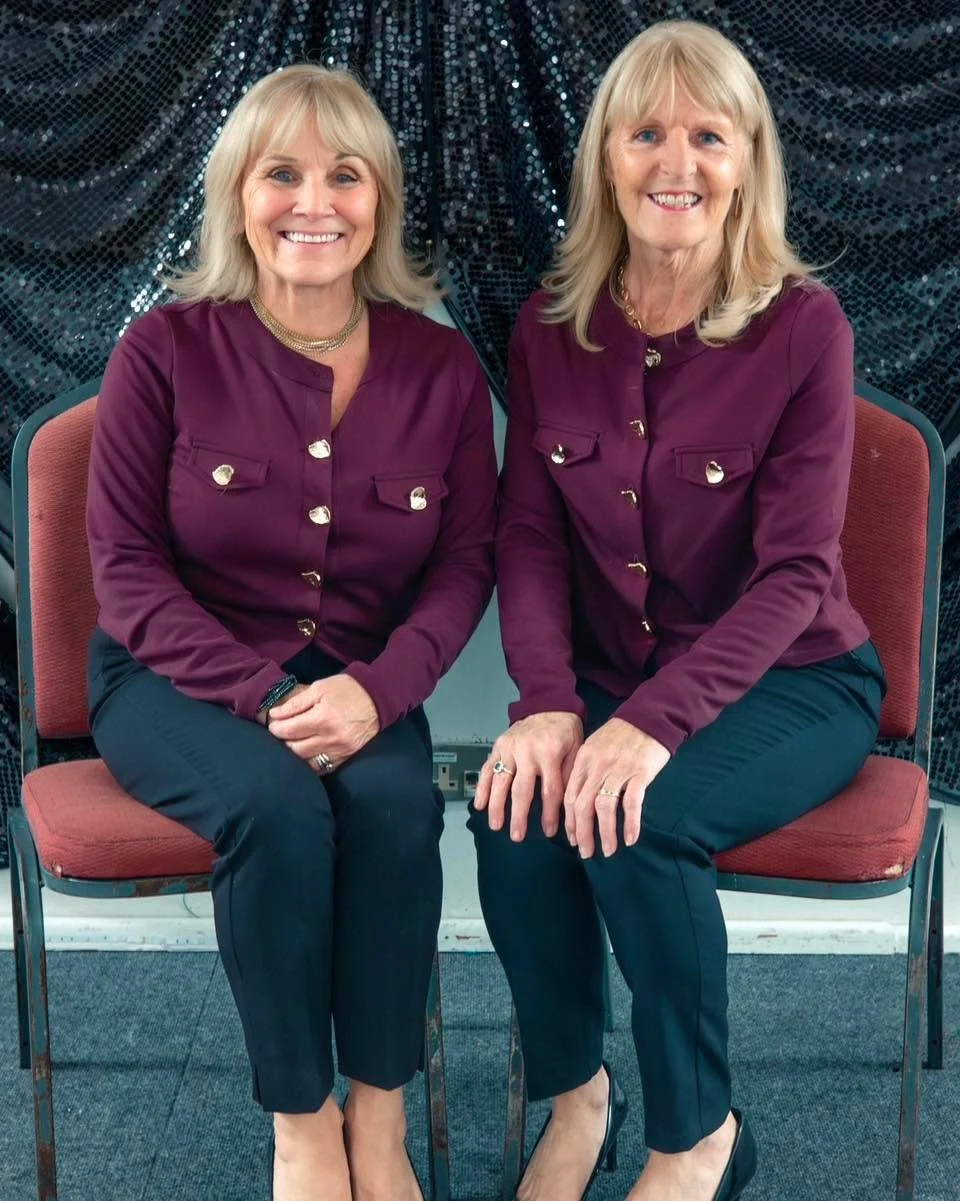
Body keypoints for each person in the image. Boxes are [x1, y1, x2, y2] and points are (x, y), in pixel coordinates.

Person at [470, 20, 885, 1201]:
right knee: (512, 815)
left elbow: (798, 574)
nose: (676, 163)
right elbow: (530, 537)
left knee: (642, 820)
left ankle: (697, 1133)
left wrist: (649, 728)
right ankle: (578, 1099)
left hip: (795, 681)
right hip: (605, 681)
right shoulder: (553, 325)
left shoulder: (806, 328)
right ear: (607, 157)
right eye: (647, 133)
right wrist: (549, 704)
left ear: (748, 159)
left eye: (709, 135)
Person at [86, 64, 497, 1201]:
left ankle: (381, 1111)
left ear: (381, 203)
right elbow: (124, 575)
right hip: (174, 680)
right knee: (271, 803)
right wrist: (265, 698)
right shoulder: (161, 351)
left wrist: (382, 690)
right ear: (238, 195)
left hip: (365, 681)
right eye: (282, 173)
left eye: (345, 175)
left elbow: (466, 567)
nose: (313, 201)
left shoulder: (443, 367)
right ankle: (304, 1122)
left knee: (395, 803)